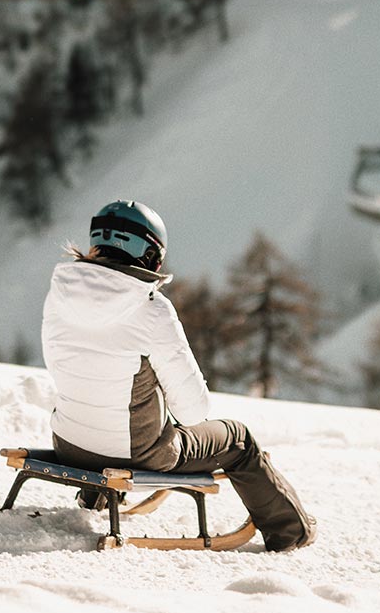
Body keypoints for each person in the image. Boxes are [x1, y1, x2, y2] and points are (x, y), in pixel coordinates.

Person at [38, 199, 314, 551]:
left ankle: (96, 496)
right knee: (238, 439)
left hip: (69, 443)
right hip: (134, 455)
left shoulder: (59, 293)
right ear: (151, 255)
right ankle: (291, 531)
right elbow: (194, 412)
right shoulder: (151, 310)